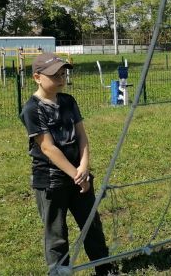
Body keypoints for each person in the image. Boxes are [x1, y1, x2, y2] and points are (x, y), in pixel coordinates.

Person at [19, 53, 115, 275]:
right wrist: (76, 174)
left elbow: (82, 136)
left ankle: (104, 267)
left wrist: (84, 167)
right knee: (56, 234)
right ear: (37, 77)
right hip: (51, 181)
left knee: (92, 224)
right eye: (55, 75)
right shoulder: (32, 109)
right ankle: (60, 271)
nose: (61, 79)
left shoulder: (69, 101)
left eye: (63, 74)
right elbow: (47, 148)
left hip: (79, 175)